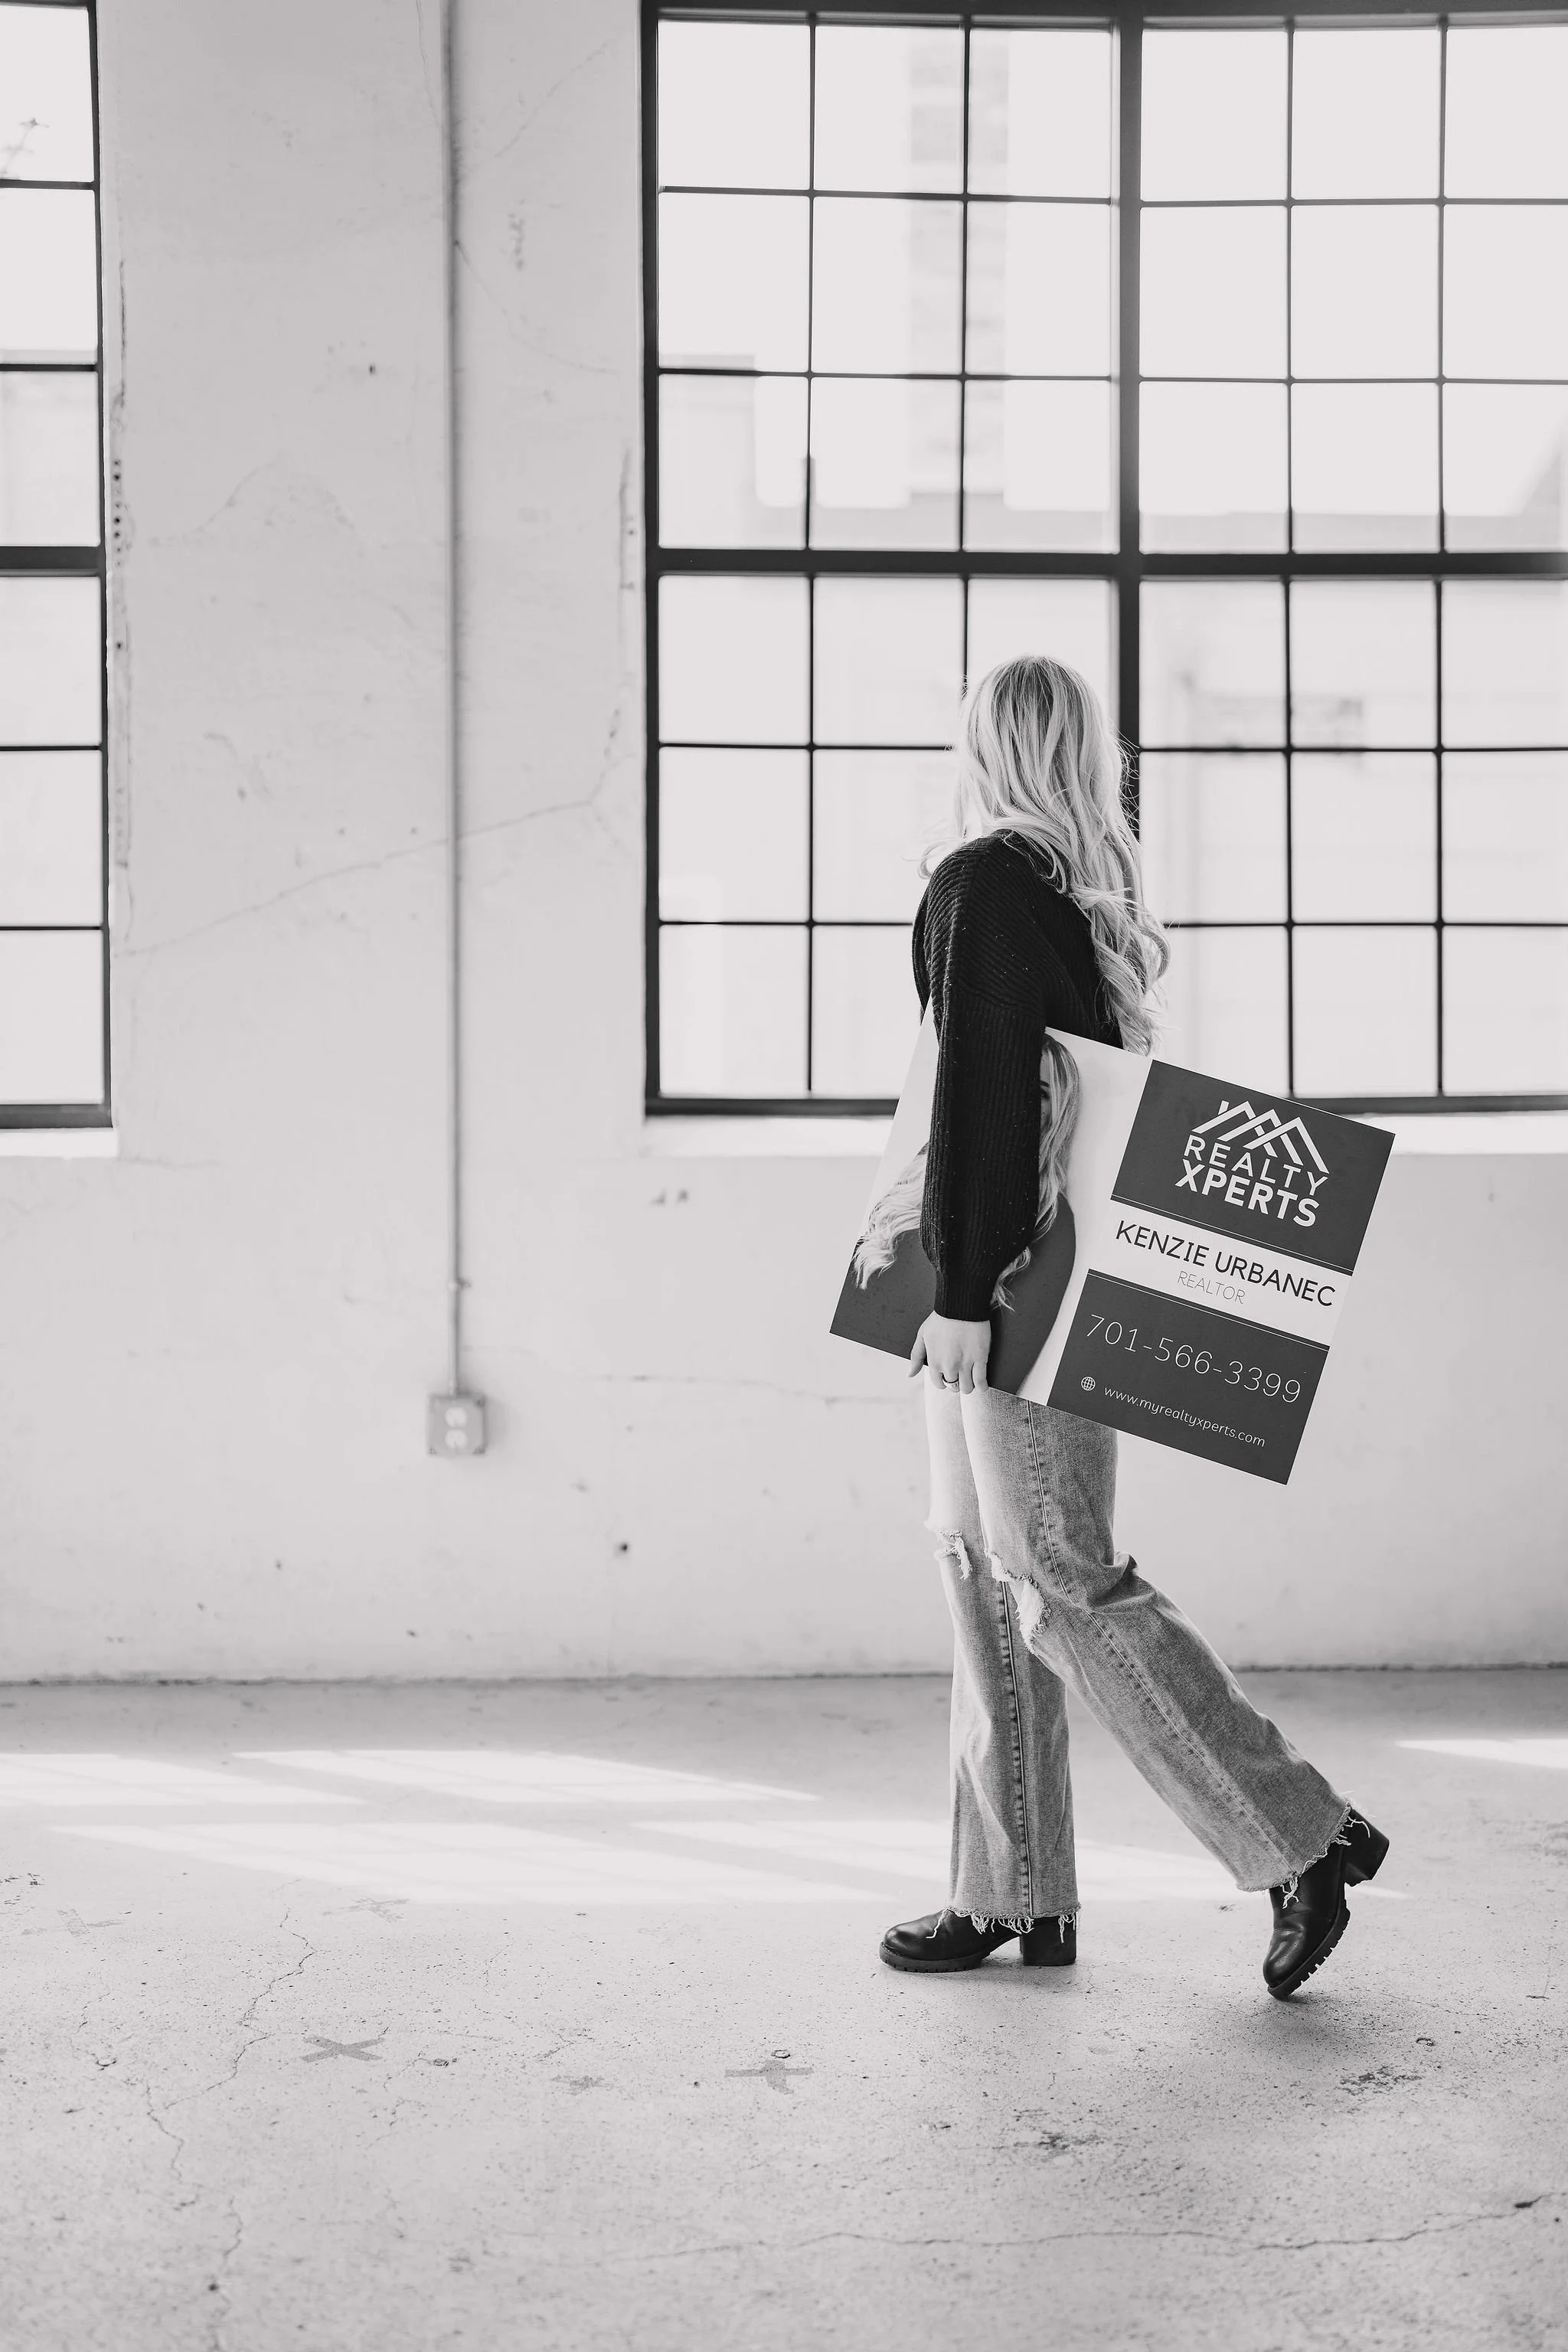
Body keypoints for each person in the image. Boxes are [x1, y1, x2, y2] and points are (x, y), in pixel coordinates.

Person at [879, 655, 1387, 2000]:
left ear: (982, 744)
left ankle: (1300, 1835)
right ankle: (1015, 1891)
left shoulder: (987, 881)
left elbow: (987, 1103)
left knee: (1061, 1576)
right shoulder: (1066, 892)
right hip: (1023, 1279)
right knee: (985, 1568)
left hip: (1001, 1290)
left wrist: (960, 1299)